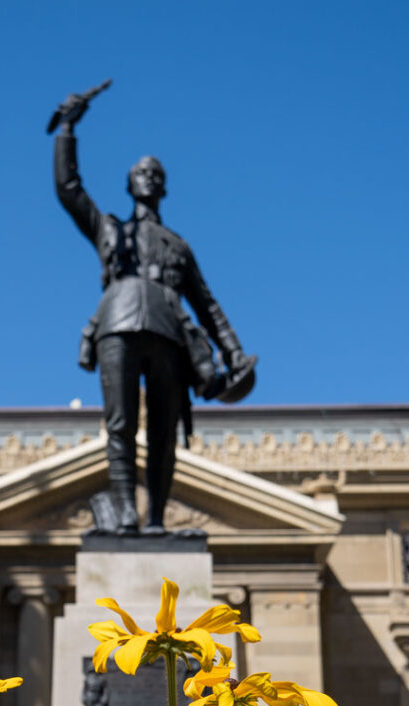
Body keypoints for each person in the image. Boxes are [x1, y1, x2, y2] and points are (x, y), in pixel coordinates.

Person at [50, 91, 256, 534]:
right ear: (129, 185)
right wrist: (67, 130)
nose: (147, 177)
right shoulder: (109, 229)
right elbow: (69, 190)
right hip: (118, 324)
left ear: (163, 186)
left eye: (154, 173)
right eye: (139, 172)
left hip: (168, 333)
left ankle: (157, 519)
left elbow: (208, 305)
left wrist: (235, 354)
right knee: (120, 425)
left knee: (165, 434)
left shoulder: (178, 246)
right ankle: (126, 512)